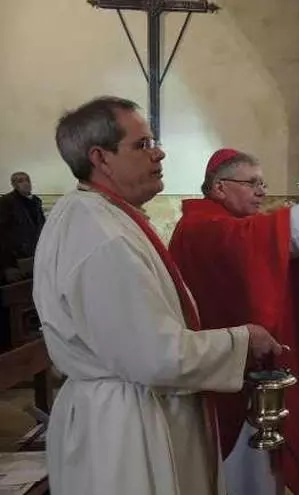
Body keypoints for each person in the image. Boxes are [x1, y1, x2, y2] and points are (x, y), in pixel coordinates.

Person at [33, 96, 283, 495]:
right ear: (101, 158)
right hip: (126, 432)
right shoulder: (102, 236)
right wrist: (243, 340)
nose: (159, 153)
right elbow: (157, 355)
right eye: (143, 144)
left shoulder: (98, 216)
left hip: (122, 412)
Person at [168, 149, 299, 495]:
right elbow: (256, 240)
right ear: (219, 187)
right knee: (237, 474)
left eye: (263, 184)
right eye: (252, 183)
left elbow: (264, 240)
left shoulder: (224, 224)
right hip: (221, 375)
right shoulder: (201, 226)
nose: (261, 191)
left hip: (239, 364)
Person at [0, 171, 46, 261]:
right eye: (20, 181)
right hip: (16, 254)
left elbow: (41, 222)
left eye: (27, 180)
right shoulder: (6, 201)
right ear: (14, 185)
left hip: (36, 248)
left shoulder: (36, 201)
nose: (25, 183)